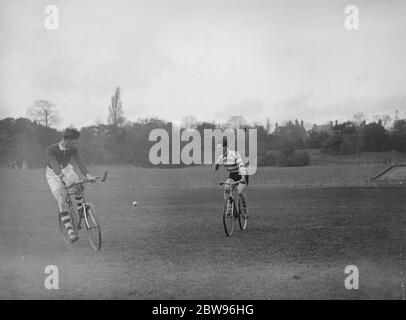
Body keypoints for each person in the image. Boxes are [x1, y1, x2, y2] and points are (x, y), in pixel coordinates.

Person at [45, 128, 96, 242]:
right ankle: (70, 231)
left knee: (78, 184)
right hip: (53, 174)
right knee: (61, 201)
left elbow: (80, 162)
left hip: (67, 169)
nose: (75, 144)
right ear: (67, 140)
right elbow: (55, 166)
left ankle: (80, 208)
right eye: (74, 141)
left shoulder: (73, 149)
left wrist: (88, 175)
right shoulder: (51, 150)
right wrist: (64, 179)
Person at [214, 136, 249, 217]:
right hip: (232, 175)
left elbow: (242, 166)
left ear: (225, 147)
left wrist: (243, 178)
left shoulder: (235, 154)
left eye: (220, 148)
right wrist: (216, 166)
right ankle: (229, 209)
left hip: (242, 174)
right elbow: (216, 168)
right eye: (218, 148)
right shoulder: (221, 157)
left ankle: (244, 209)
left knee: (240, 192)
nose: (219, 150)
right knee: (227, 187)